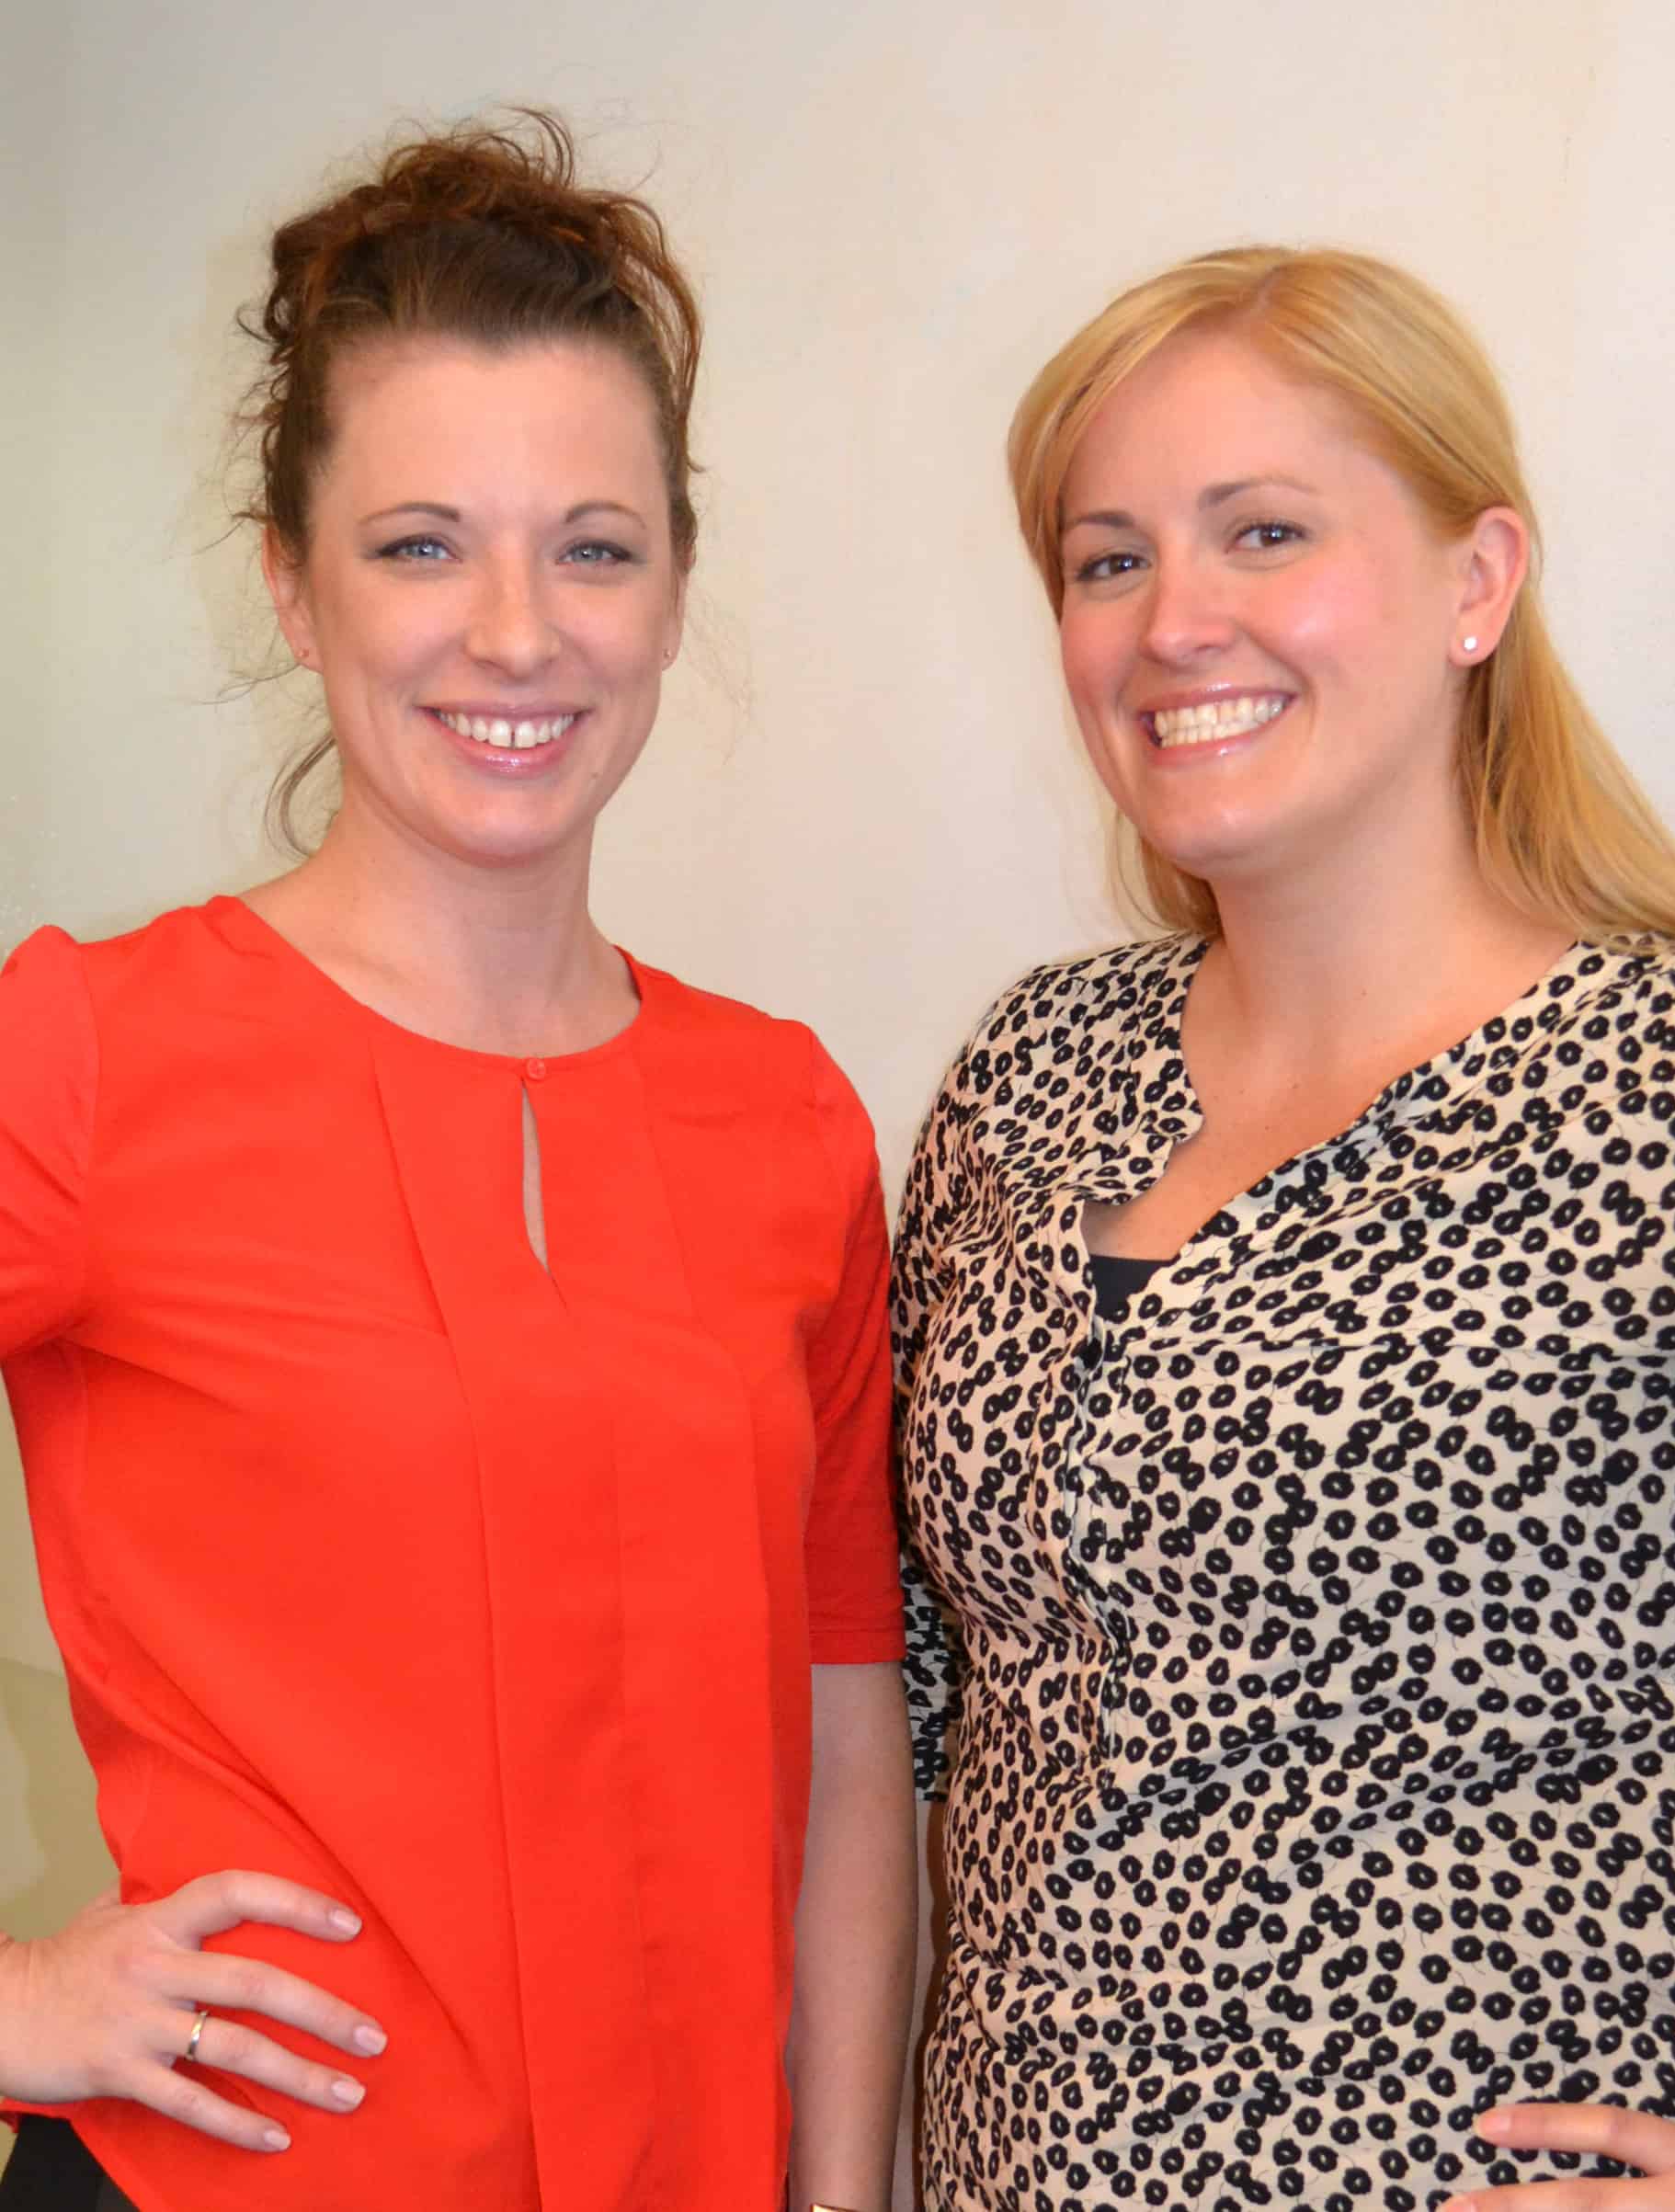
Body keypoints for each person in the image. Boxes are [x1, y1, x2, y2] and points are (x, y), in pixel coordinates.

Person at [0, 111, 913, 2212]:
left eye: (593, 547)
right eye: (421, 546)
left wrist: (841, 2188)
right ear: (290, 583)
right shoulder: (93, 1054)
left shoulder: (784, 1118)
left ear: (674, 586)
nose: (517, 633)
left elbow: (844, 1721)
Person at [894, 245, 1675, 2212]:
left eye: (1264, 532)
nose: (1172, 623)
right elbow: (910, 1718)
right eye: (1108, 560)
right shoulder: (1028, 1079)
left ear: (1479, 582)